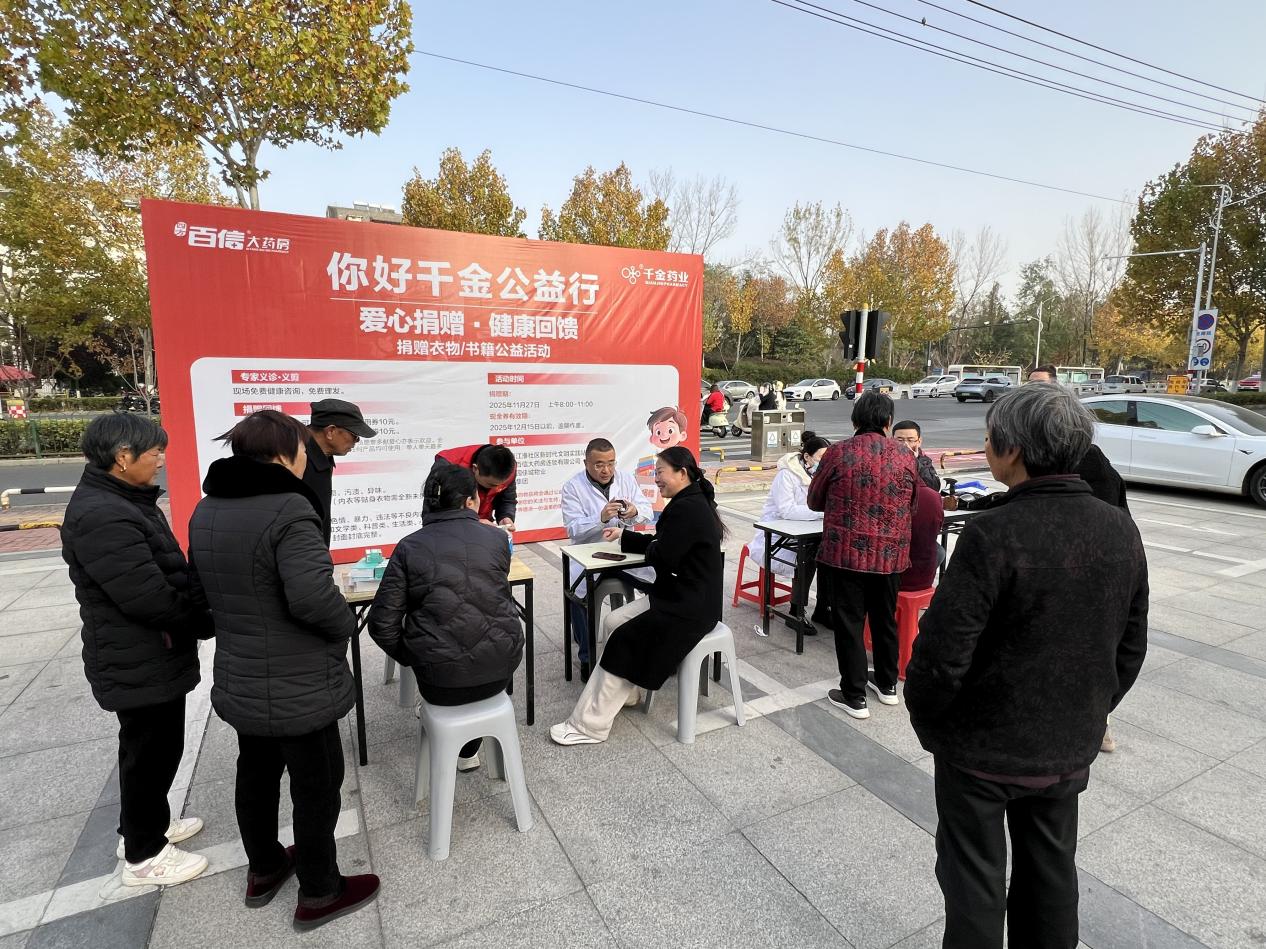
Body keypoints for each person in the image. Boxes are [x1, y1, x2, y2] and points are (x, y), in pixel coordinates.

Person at [903, 383, 1148, 949]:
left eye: (990, 436)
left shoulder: (993, 533)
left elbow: (942, 654)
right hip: (1067, 741)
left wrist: (934, 723)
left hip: (981, 749)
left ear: (1012, 450)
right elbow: (1130, 644)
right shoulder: (1119, 527)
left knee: (974, 880)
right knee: (1051, 871)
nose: (987, 445)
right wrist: (1090, 709)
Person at [188, 410, 379, 931]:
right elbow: (312, 597)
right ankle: (320, 891)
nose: (304, 459)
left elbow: (199, 594)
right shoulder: (291, 508)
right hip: (299, 681)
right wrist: (345, 624)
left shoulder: (206, 508)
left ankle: (266, 867)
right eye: (299, 450)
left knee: (256, 773)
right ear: (282, 454)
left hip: (242, 673)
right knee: (317, 783)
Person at [61, 414, 212, 888]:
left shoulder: (124, 499)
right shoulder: (102, 514)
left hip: (150, 652)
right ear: (123, 457)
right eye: (154, 452)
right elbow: (146, 596)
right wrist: (201, 621)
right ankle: (144, 857)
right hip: (137, 654)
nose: (161, 460)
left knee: (154, 747)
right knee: (149, 752)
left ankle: (143, 826)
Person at [549, 446, 725, 746]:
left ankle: (589, 726)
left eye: (660, 472)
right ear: (586, 463)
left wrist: (635, 527)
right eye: (655, 472)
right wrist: (623, 535)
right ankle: (628, 693)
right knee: (614, 621)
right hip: (678, 595)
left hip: (688, 607)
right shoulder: (689, 500)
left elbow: (663, 554)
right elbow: (661, 543)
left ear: (682, 473)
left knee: (623, 639)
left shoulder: (687, 508)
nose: (656, 479)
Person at [368, 464, 524, 772]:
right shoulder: (497, 540)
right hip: (501, 669)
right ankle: (468, 751)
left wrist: (415, 656)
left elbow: (382, 625)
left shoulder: (409, 547)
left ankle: (460, 748)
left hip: (439, 680)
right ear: (469, 502)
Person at [808, 391, 918, 720]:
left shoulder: (838, 452)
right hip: (890, 556)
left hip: (846, 556)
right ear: (888, 421)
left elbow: (814, 500)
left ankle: (854, 695)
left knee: (850, 623)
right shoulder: (905, 455)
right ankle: (887, 685)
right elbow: (912, 505)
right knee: (885, 620)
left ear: (855, 420)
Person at [559, 438, 654, 675]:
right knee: (577, 591)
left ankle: (651, 645)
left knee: (656, 581)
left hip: (623, 550)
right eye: (599, 464)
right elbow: (573, 529)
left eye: (611, 463)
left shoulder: (626, 479)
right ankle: (587, 657)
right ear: (586, 463)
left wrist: (634, 512)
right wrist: (600, 518)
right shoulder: (573, 487)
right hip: (588, 553)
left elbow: (647, 511)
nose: (606, 470)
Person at [747, 432, 833, 637]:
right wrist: (822, 513)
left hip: (807, 529)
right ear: (807, 457)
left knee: (830, 556)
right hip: (779, 533)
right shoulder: (787, 475)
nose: (824, 463)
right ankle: (796, 611)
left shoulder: (821, 475)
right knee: (808, 557)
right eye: (821, 457)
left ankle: (823, 608)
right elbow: (786, 510)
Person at [302, 399, 378, 546]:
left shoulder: (324, 456)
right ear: (330, 431)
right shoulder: (295, 459)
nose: (357, 441)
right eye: (354, 435)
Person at [429, 443, 517, 529]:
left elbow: (507, 499)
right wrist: (473, 522)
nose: (497, 489)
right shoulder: (447, 466)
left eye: (501, 485)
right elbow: (432, 511)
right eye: (491, 485)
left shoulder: (508, 468)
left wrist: (506, 516)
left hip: (483, 525)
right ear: (475, 468)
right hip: (449, 528)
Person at [893, 420, 942, 491]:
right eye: (900, 440)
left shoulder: (924, 461)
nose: (905, 445)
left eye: (910, 440)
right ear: (891, 440)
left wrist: (915, 461)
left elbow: (934, 488)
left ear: (919, 442)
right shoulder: (884, 459)